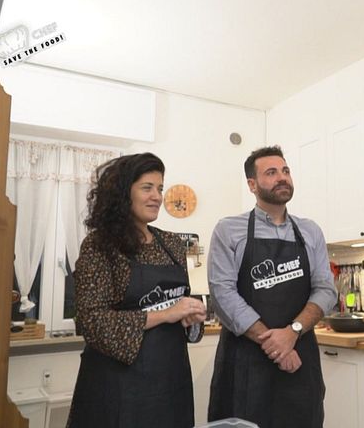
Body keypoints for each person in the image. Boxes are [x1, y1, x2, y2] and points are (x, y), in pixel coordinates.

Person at [67, 153, 207, 428]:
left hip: (170, 381)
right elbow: (91, 322)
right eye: (147, 188)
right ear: (123, 193)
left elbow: (188, 306)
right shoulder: (99, 245)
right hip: (118, 387)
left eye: (160, 188)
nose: (157, 196)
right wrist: (166, 314)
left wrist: (192, 317)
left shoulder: (175, 244)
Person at [207, 145, 337, 428]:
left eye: (285, 171)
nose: (282, 177)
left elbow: (326, 289)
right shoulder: (229, 229)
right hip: (246, 364)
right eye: (271, 172)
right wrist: (276, 344)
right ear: (252, 185)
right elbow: (222, 293)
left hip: (300, 360)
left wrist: (292, 332)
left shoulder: (310, 231)